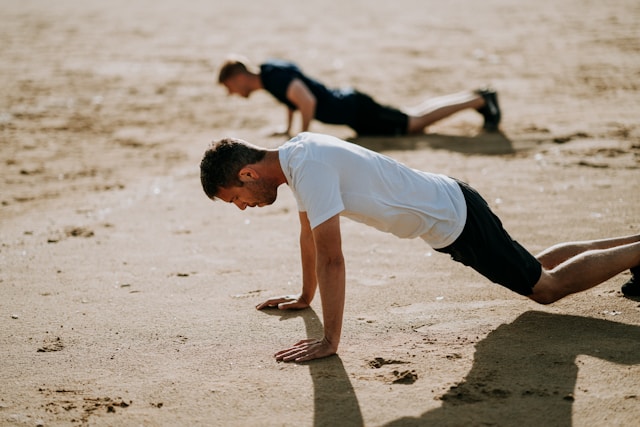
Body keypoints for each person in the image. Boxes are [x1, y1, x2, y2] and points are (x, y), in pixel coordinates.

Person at [200, 132, 640, 363]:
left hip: (455, 219)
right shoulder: (297, 156)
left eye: (234, 198)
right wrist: (304, 297)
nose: (242, 208)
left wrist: (330, 339)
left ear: (247, 175)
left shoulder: (306, 168)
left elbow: (333, 257)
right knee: (537, 265)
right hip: (451, 205)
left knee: (544, 288)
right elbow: (308, 236)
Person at [217, 55, 501, 137]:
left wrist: (302, 137)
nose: (233, 93)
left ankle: (479, 100)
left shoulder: (273, 78)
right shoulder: (269, 73)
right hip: (352, 107)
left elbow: (307, 101)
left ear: (238, 77)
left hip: (353, 110)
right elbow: (294, 100)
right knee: (413, 114)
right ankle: (476, 96)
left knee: (414, 124)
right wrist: (288, 128)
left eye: (229, 87)